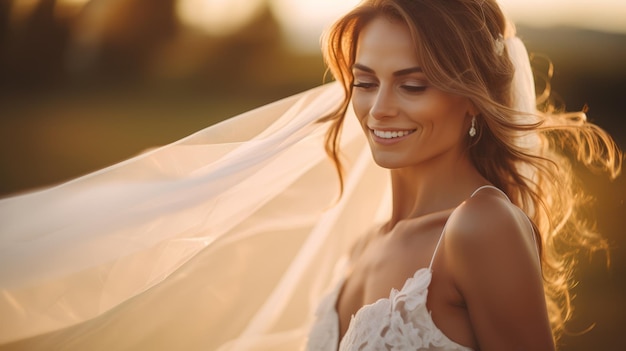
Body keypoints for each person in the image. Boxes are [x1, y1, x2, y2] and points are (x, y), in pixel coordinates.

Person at [0, 0, 620, 350]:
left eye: (413, 84)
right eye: (365, 82)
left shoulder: (479, 228)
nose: (379, 110)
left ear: (470, 100)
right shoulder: (362, 244)